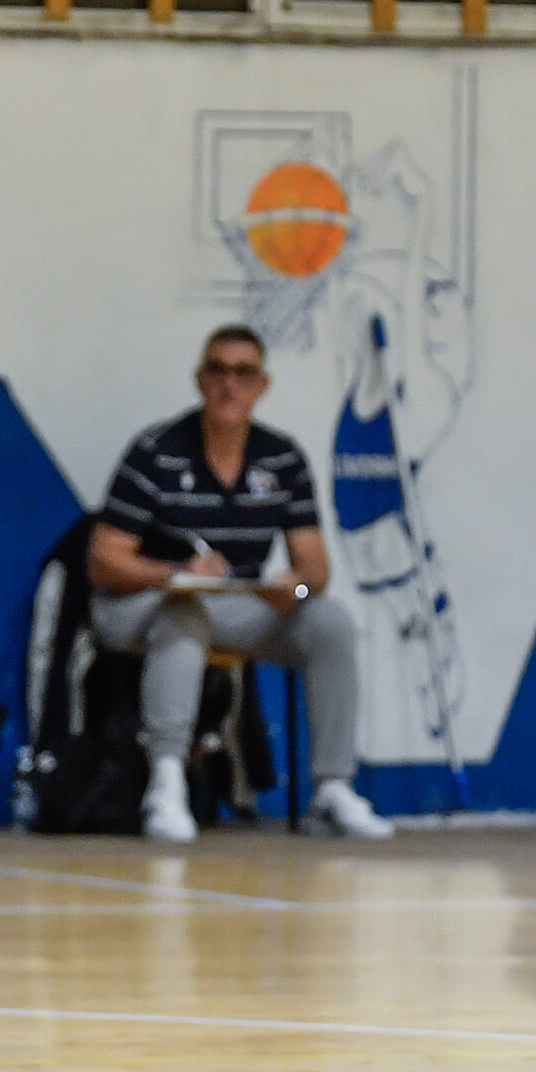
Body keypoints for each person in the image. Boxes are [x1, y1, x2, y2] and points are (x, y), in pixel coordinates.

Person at [85, 324, 392, 843]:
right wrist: (175, 575)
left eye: (243, 373)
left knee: (331, 621)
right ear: (200, 379)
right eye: (219, 371)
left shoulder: (281, 458)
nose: (230, 385)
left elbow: (315, 571)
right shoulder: (157, 452)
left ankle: (333, 787)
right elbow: (103, 562)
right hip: (139, 605)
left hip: (238, 604)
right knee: (183, 614)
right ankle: (167, 782)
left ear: (262, 385)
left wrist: (291, 587)